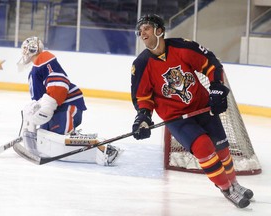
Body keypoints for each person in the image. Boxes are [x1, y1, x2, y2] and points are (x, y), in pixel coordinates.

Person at [131, 14, 253, 208]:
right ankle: (226, 188)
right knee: (203, 146)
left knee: (222, 148)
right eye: (140, 30)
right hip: (176, 118)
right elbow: (142, 97)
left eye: (146, 27)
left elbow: (210, 63)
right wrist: (143, 117)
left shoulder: (182, 47)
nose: (142, 32)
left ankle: (234, 183)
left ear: (159, 31)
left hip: (202, 106)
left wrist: (217, 88)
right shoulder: (141, 64)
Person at [18, 36, 121, 166]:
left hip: (67, 105)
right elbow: (39, 99)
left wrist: (48, 105)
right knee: (46, 135)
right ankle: (74, 136)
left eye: (26, 49)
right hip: (57, 108)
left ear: (32, 49)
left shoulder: (44, 59)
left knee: (61, 137)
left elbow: (60, 83)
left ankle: (104, 148)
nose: (24, 52)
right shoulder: (35, 70)